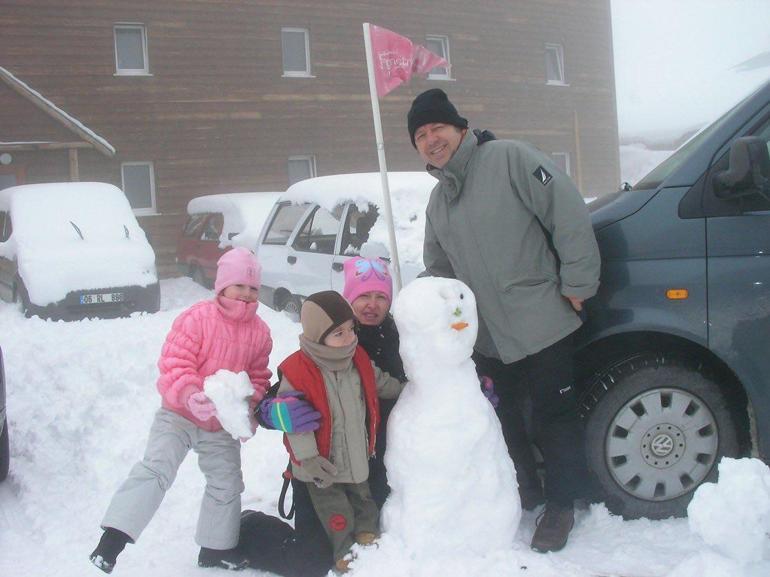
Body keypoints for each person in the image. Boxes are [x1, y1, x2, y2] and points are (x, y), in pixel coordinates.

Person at [407, 88, 601, 553]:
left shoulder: (510, 159)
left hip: (543, 321)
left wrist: (578, 283)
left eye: (438, 128)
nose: (432, 139)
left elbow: (567, 211)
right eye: (421, 134)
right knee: (504, 419)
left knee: (554, 418)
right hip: (488, 339)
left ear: (460, 128)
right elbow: (439, 273)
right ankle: (524, 493)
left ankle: (560, 506)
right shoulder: (438, 203)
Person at [90, 247, 279, 573]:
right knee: (156, 470)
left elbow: (259, 377)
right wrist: (191, 394)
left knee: (227, 483)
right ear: (222, 286)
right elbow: (174, 362)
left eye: (253, 288)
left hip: (219, 424)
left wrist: (246, 411)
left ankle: (215, 550)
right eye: (239, 286)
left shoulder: (260, 332)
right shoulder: (197, 318)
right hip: (179, 413)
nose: (246, 294)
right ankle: (112, 541)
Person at [277, 290, 404, 573]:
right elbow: (294, 424)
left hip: (356, 453)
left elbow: (381, 382)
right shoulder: (299, 371)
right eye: (338, 333)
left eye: (350, 330)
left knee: (363, 498)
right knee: (335, 510)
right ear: (317, 335)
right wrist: (308, 459)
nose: (348, 338)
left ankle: (366, 536)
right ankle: (344, 550)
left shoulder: (356, 357)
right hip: (321, 464)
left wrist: (408, 391)